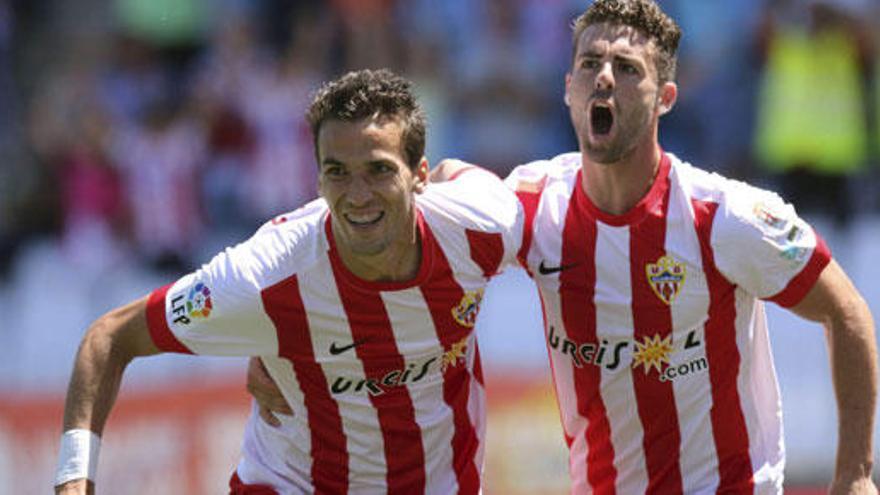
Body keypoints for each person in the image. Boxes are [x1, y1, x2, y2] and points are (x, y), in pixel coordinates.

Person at [250, 1, 878, 493]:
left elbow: (846, 312)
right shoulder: (530, 203)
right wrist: (275, 338)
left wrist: (855, 472)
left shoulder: (725, 217)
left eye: (627, 69)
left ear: (665, 99)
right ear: (568, 89)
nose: (604, 78)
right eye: (589, 64)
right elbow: (397, 217)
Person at [53, 68, 523, 494]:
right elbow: (110, 337)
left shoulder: (482, 225)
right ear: (317, 180)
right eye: (337, 173)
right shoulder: (263, 277)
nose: (358, 196)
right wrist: (73, 480)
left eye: (379, 170)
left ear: (419, 176)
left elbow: (466, 180)